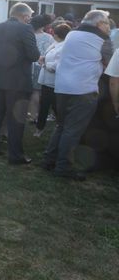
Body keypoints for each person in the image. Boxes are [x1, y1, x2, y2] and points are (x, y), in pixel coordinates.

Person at [43, 10, 113, 180]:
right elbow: (110, 64)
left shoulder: (72, 34)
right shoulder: (103, 40)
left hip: (61, 87)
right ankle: (63, 167)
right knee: (72, 131)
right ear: (99, 24)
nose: (109, 27)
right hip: (83, 90)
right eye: (107, 23)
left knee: (61, 126)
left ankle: (48, 160)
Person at [0, 2, 40, 164]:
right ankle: (15, 156)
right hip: (17, 81)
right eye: (30, 17)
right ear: (25, 16)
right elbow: (34, 55)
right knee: (16, 118)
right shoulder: (26, 29)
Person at [35, 23, 71, 137]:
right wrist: (44, 59)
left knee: (57, 107)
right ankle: (39, 128)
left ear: (57, 34)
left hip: (55, 82)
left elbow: (58, 65)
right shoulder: (56, 43)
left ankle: (63, 128)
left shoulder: (65, 46)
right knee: (44, 106)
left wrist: (45, 64)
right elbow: (49, 56)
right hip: (46, 81)